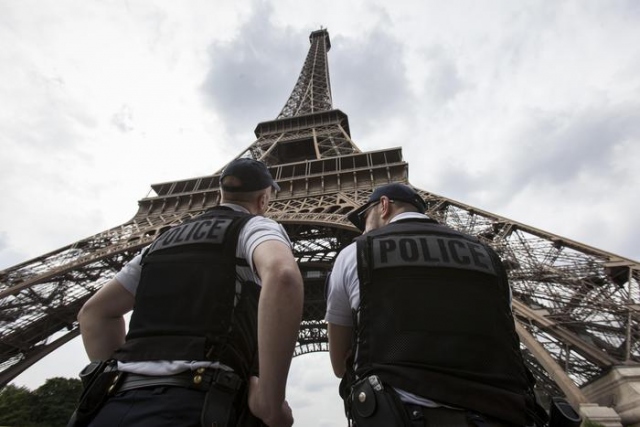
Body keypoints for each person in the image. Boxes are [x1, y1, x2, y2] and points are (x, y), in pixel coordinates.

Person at [75, 158, 304, 427]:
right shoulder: (253, 226)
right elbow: (283, 276)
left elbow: (94, 314)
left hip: (115, 408)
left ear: (220, 193)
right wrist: (270, 401)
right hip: (197, 406)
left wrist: (124, 377)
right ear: (264, 199)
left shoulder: (161, 241)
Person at [325, 183, 539, 427]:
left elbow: (340, 364)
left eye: (365, 217)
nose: (364, 227)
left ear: (384, 205)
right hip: (499, 416)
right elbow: (504, 333)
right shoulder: (488, 256)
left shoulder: (355, 253)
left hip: (404, 415)